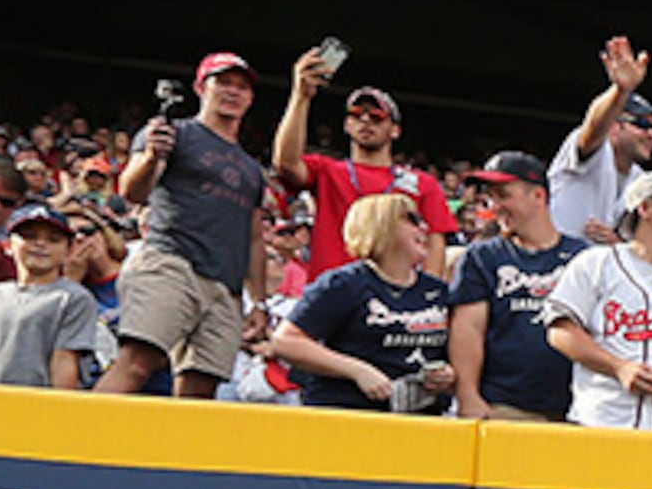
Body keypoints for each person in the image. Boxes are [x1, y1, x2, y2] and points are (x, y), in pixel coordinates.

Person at [100, 53, 273, 400]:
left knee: (201, 388)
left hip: (225, 286)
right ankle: (79, 449)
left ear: (251, 98)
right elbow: (132, 192)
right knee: (136, 363)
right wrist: (151, 156)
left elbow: (254, 238)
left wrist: (258, 301)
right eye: (223, 82)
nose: (233, 92)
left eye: (242, 86)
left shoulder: (252, 169)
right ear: (200, 87)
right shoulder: (172, 133)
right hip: (172, 262)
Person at [544, 169, 652, 430]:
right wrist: (618, 367)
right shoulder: (597, 263)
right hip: (605, 420)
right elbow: (560, 332)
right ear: (645, 209)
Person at [267, 51, 456, 277]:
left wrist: (427, 298)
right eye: (357, 114)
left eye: (377, 116)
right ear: (347, 125)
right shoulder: (327, 171)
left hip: (392, 300)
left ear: (395, 130)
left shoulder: (423, 183)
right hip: (332, 294)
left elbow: (435, 245)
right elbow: (285, 163)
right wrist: (301, 95)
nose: (366, 120)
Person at [271, 194, 458, 414]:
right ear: (381, 226)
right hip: (349, 414)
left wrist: (445, 375)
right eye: (411, 220)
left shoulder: (437, 290)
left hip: (420, 417)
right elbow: (286, 341)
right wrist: (357, 371)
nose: (424, 228)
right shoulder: (345, 284)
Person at [444, 153, 589, 419]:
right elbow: (468, 329)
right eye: (490, 197)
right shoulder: (482, 257)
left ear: (538, 196)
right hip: (504, 404)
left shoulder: (584, 256)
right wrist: (468, 395)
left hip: (576, 407)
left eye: (504, 195)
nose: (494, 206)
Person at [0, 202, 111, 388]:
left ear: (68, 250)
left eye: (53, 239)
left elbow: (65, 361)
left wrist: (59, 410)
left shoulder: (73, 298)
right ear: (8, 244)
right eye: (29, 236)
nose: (40, 244)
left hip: (42, 405)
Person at [547, 36, 652, 244]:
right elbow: (594, 127)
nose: (651, 134)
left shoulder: (640, 179)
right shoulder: (595, 151)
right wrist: (621, 91)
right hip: (551, 265)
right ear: (614, 128)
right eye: (642, 125)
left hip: (595, 272)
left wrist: (616, 244)